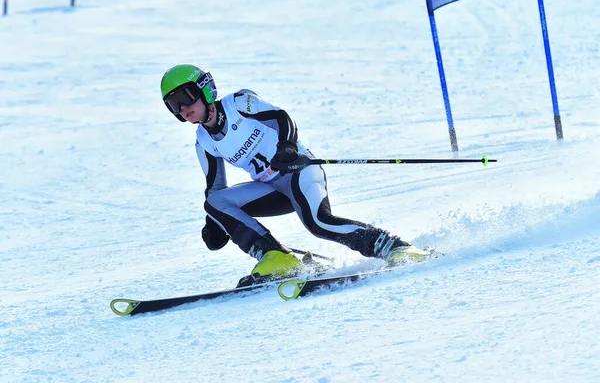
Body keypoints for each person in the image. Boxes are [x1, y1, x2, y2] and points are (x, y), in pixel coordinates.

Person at [160, 64, 433, 284]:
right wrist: (215, 224)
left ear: (205, 90)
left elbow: (281, 117)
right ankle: (276, 256)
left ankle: (396, 248)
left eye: (185, 97)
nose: (183, 108)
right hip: (271, 190)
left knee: (319, 222)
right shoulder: (204, 142)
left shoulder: (238, 104)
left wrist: (287, 147)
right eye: (174, 105)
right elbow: (215, 189)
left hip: (297, 170)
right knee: (215, 203)